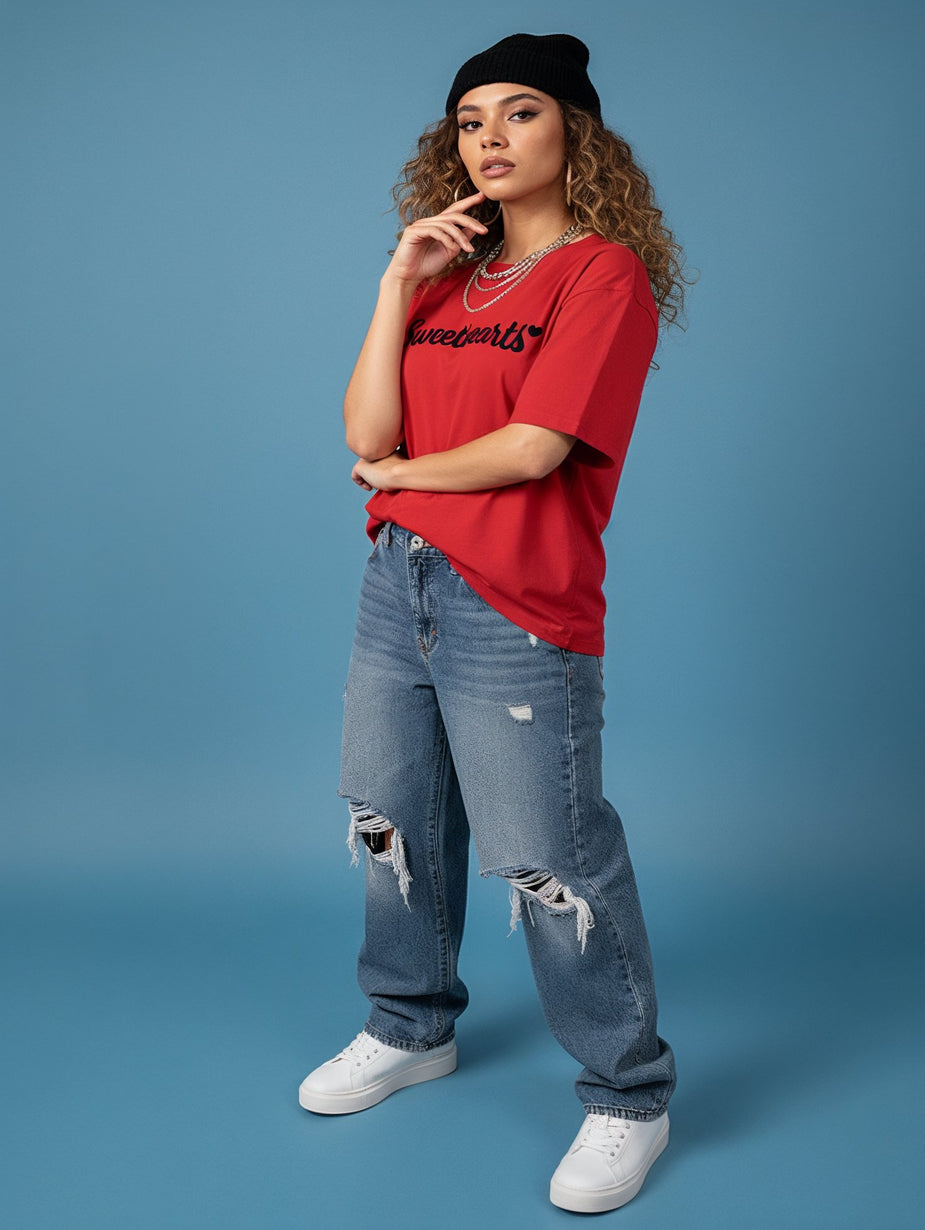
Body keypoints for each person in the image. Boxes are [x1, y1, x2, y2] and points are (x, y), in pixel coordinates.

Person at [298, 33, 688, 1214]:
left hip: (515, 600)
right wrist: (396, 285)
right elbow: (367, 431)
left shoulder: (601, 274)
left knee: (548, 856)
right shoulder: (451, 282)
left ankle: (629, 1095)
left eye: (520, 113)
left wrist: (398, 475)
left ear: (575, 132)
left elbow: (535, 449)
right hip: (400, 580)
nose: (492, 138)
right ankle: (411, 1025)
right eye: (472, 120)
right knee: (391, 817)